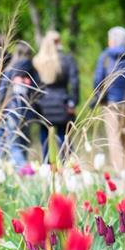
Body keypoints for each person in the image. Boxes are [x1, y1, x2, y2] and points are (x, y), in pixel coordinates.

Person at [93, 26, 125, 171]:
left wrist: (98, 96)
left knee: (113, 136)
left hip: (111, 102)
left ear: (111, 41)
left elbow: (98, 79)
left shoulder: (105, 56)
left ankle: (119, 169)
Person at [31, 30, 79, 161]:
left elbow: (34, 87)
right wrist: (72, 102)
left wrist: (35, 106)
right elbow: (74, 83)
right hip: (62, 104)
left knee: (45, 138)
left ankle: (47, 166)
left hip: (43, 107)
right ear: (58, 42)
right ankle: (67, 167)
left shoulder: (37, 61)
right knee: (65, 139)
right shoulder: (67, 59)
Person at [0, 41, 36, 166]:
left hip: (11, 110)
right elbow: (38, 93)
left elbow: (2, 91)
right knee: (24, 143)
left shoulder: (11, 70)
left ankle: (21, 169)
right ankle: (22, 168)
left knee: (12, 143)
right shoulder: (34, 72)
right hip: (26, 113)